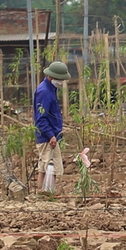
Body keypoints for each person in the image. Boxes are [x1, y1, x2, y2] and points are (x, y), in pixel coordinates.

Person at [34, 60, 69, 195]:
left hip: (51, 135)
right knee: (51, 166)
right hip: (47, 136)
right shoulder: (44, 92)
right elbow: (41, 118)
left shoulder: (50, 89)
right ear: (52, 77)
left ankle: (42, 192)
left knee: (45, 166)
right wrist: (50, 135)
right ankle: (47, 193)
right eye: (60, 79)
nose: (61, 82)